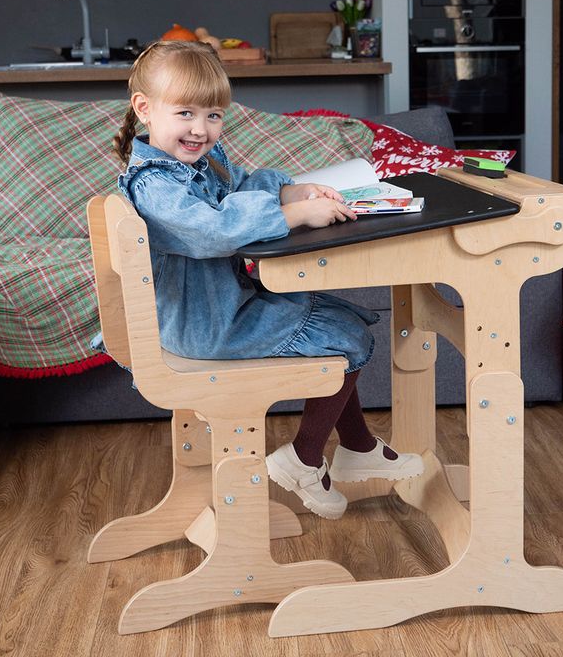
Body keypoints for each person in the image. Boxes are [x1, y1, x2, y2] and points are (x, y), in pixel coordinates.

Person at [113, 40, 423, 519]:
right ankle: (303, 458)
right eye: (186, 113)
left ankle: (357, 447)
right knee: (349, 337)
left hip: (221, 310)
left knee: (342, 322)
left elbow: (239, 183)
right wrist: (295, 213)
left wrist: (291, 188)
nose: (201, 129)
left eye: (214, 115)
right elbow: (212, 230)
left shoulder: (194, 163)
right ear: (145, 110)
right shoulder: (155, 184)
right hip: (207, 326)